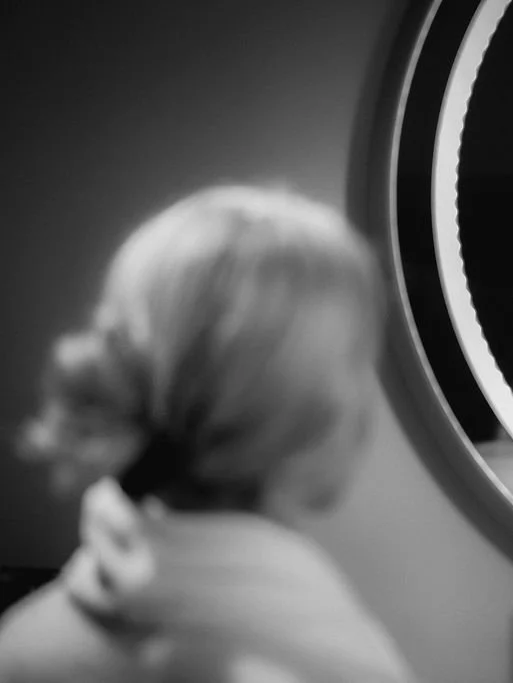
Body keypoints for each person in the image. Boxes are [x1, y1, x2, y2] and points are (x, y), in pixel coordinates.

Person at [0, 185, 418, 681]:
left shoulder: (23, 640)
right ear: (305, 415)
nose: (369, 395)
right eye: (358, 360)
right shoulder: (327, 666)